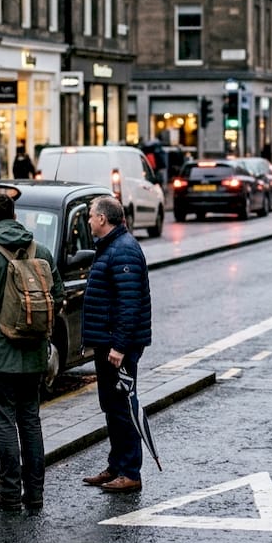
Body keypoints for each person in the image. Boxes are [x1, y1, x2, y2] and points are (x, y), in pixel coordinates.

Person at [0, 194, 63, 510]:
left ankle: (8, 493)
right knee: (30, 421)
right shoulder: (39, 250)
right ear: (15, 214)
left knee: (3, 423)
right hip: (33, 352)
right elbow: (57, 296)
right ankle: (35, 494)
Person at [80, 196, 152, 493]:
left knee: (122, 406)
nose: (87, 220)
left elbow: (129, 303)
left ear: (102, 219)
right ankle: (116, 465)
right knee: (111, 406)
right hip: (107, 342)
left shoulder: (123, 251)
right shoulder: (111, 247)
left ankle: (130, 471)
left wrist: (120, 346)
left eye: (90, 215)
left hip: (117, 346)